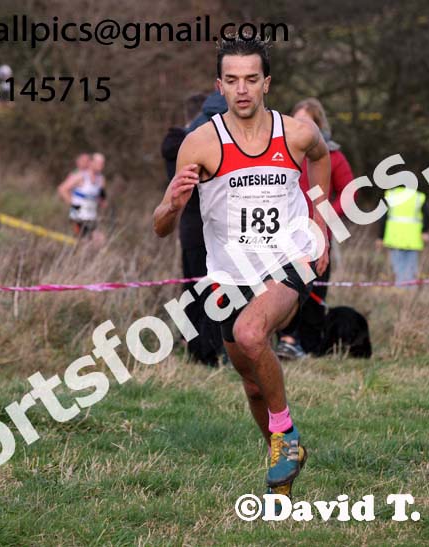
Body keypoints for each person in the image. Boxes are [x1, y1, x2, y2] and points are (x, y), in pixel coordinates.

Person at [152, 35, 330, 502]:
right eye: (232, 80)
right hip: (230, 279)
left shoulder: (296, 133)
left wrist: (320, 220)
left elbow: (321, 157)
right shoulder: (200, 143)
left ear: (266, 82)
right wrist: (172, 205)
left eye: (252, 79)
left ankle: (286, 438)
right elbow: (160, 228)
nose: (242, 89)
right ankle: (282, 467)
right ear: (220, 85)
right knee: (252, 383)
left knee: (253, 335)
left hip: (288, 262)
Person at [276, 97, 355, 359]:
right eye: (297, 120)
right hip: (283, 234)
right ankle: (285, 341)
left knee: (314, 292)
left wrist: (328, 216)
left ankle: (309, 346)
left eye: (307, 122)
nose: (302, 127)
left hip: (318, 234)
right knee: (283, 288)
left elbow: (349, 193)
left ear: (319, 126)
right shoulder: (282, 152)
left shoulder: (333, 155)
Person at [160, 91, 225, 366]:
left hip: (197, 230)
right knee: (205, 293)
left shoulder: (183, 142)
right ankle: (203, 352)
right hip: (201, 229)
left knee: (198, 291)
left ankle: (195, 347)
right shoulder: (188, 145)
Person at [380, 186, 429, 283]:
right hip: (412, 239)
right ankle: (409, 292)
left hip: (394, 238)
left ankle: (401, 292)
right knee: (411, 269)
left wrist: (380, 237)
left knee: (398, 269)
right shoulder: (418, 196)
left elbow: (383, 217)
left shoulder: (391, 195)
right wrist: (425, 230)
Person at [58, 152, 107, 242]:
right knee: (92, 241)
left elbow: (102, 197)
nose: (101, 166)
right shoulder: (80, 176)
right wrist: (73, 205)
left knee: (98, 241)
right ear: (91, 162)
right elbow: (62, 189)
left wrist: (102, 203)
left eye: (103, 163)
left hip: (91, 217)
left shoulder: (101, 179)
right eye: (99, 163)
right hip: (78, 216)